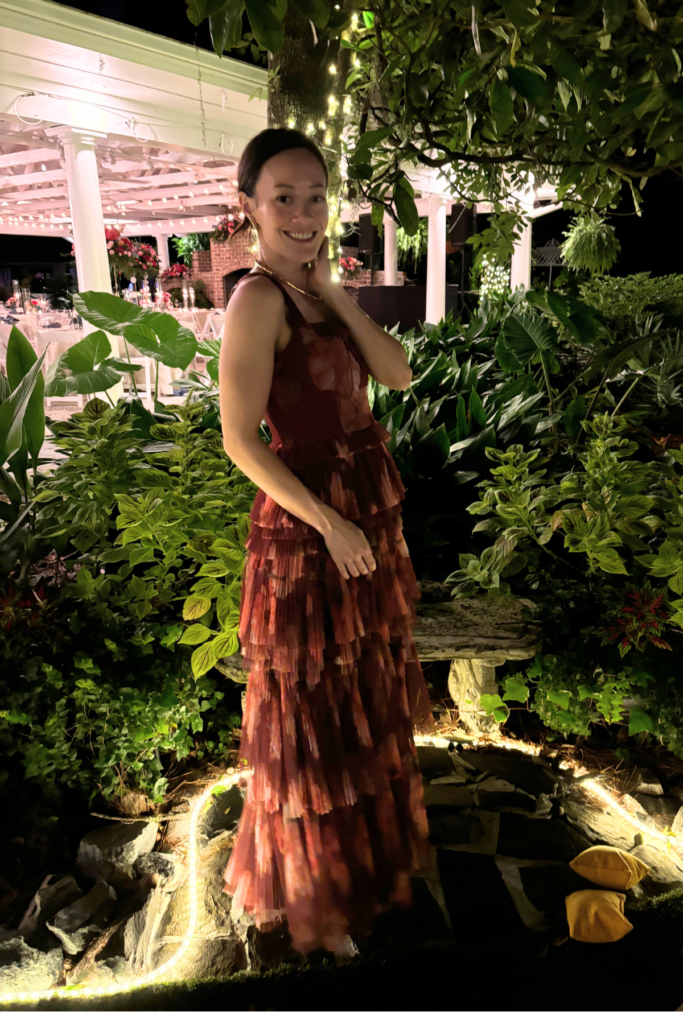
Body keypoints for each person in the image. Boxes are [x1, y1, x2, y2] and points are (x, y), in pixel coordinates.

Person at [218, 127, 437, 959]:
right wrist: (331, 522)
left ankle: (360, 873)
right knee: (310, 713)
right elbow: (241, 440)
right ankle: (319, 898)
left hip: (362, 521)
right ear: (250, 208)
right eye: (284, 198)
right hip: (310, 533)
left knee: (364, 700)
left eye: (315, 197)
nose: (304, 213)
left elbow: (399, 374)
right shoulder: (256, 301)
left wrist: (340, 294)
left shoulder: (312, 293)